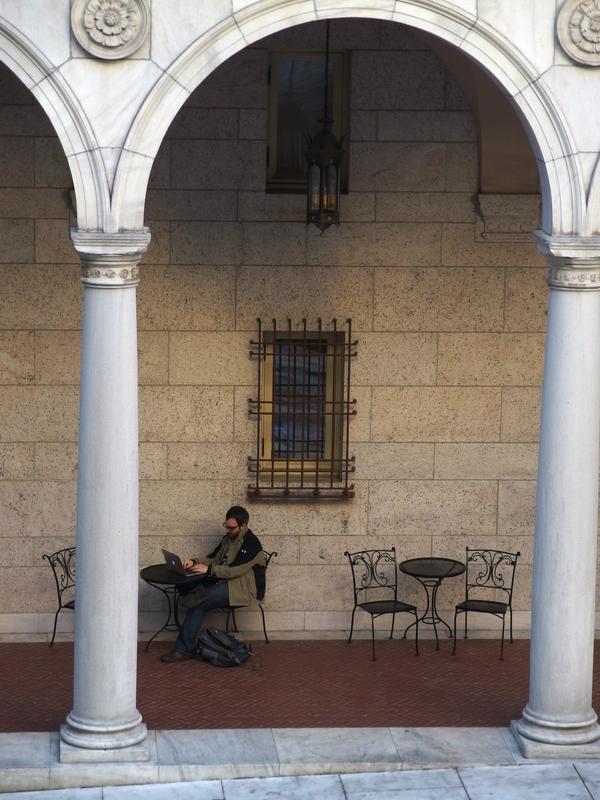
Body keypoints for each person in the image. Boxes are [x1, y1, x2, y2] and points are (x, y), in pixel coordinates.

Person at [160, 505, 265, 662]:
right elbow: (213, 558)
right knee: (188, 587)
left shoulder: (252, 543)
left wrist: (208, 570)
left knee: (199, 602)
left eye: (231, 527)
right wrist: (194, 561)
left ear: (243, 525)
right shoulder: (228, 539)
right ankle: (191, 605)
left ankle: (184, 649)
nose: (227, 530)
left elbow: (234, 570)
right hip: (223, 580)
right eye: (226, 526)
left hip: (242, 588)